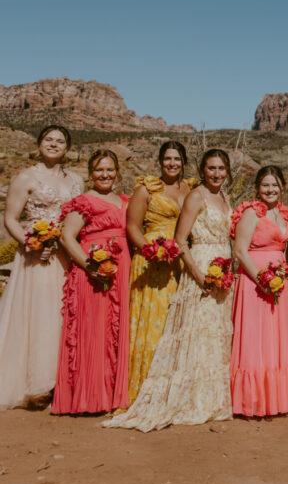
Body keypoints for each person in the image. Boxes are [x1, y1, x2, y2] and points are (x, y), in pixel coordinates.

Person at [103, 149, 236, 431]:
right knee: (195, 332)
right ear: (202, 170)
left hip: (222, 268)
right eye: (211, 168)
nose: (216, 173)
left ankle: (211, 400)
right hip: (199, 265)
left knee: (214, 334)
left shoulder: (225, 198)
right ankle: (188, 398)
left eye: (221, 168)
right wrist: (198, 275)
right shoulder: (196, 196)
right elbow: (181, 240)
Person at [0, 125, 83, 410]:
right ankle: (37, 383)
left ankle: (62, 379)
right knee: (39, 313)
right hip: (38, 257)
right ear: (39, 143)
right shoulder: (26, 177)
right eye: (49, 139)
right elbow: (10, 218)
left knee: (64, 313)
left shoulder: (75, 180)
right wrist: (30, 243)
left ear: (67, 148)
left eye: (60, 141)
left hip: (67, 255)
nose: (54, 144)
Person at [53, 150, 131, 414]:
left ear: (117, 172)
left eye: (109, 170)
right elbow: (67, 237)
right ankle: (89, 397)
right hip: (92, 272)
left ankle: (111, 395)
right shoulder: (84, 201)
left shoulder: (126, 201)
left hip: (121, 271)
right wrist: (89, 266)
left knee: (115, 331)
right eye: (99, 170)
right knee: (93, 329)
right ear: (90, 174)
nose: (105, 175)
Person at [122, 141, 197, 407]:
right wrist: (152, 251)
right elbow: (132, 227)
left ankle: (173, 388)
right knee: (154, 322)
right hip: (152, 260)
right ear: (160, 161)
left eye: (177, 158)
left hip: (181, 261)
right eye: (167, 159)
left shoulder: (191, 188)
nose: (172, 163)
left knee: (177, 322)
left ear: (184, 160)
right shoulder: (146, 189)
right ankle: (145, 388)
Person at [231, 165, 288, 417]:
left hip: (278, 282)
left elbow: (284, 251)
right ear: (258, 188)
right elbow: (239, 251)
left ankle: (274, 399)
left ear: (282, 187)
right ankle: (252, 401)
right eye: (265, 185)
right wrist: (262, 279)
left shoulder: (281, 214)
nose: (270, 190)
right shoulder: (252, 213)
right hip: (254, 282)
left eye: (274, 185)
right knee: (255, 337)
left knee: (274, 337)